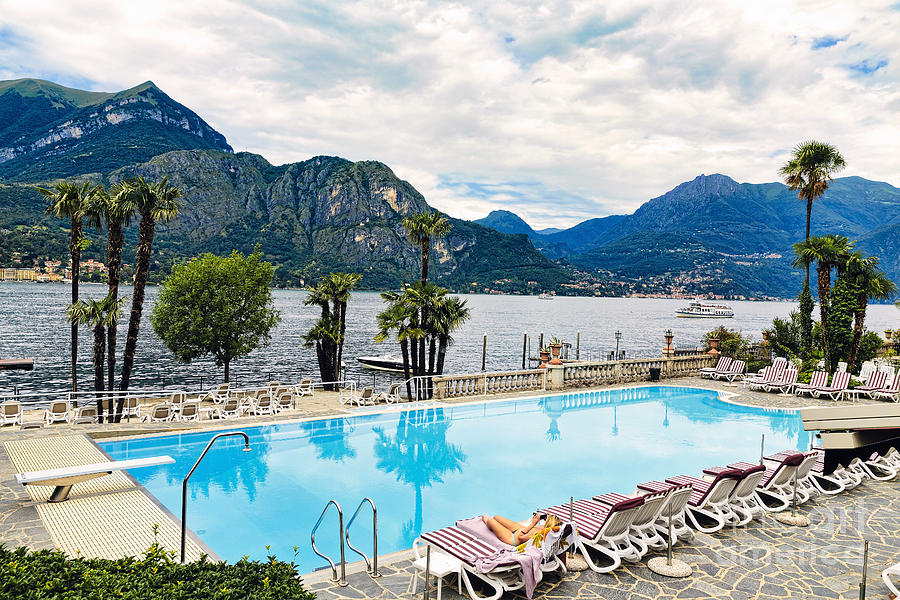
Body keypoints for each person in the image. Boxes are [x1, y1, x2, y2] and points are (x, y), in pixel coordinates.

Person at [482, 512, 560, 546]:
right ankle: (498, 527)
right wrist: (536, 520)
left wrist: (533, 523)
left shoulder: (538, 534)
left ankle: (487, 524)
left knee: (490, 520)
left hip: (513, 539)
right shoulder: (546, 529)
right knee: (497, 517)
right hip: (519, 529)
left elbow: (520, 537)